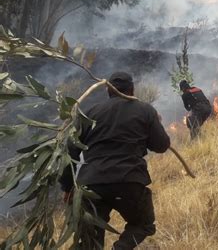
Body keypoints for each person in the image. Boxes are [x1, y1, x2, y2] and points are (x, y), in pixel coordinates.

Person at [59, 72, 170, 249]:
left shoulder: (90, 113)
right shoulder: (145, 110)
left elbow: (71, 149)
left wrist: (67, 186)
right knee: (143, 224)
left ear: (108, 91)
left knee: (89, 240)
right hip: (129, 181)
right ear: (132, 90)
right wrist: (153, 123)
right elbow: (162, 145)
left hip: (92, 184)